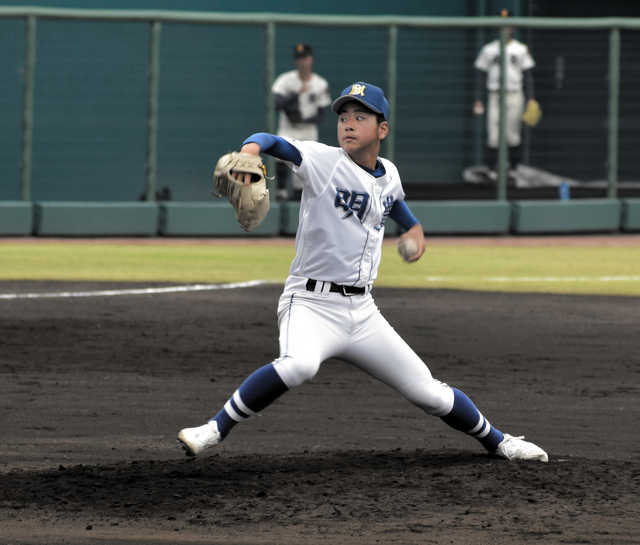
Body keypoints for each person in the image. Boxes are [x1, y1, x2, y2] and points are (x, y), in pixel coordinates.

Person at [177, 82, 548, 463]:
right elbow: (272, 140)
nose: (348, 124)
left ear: (381, 129)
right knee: (300, 364)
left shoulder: (389, 174)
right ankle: (213, 430)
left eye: (360, 116)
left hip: (363, 313)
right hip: (310, 303)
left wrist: (414, 230)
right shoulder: (322, 161)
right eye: (343, 117)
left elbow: (395, 204)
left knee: (429, 392)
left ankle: (501, 442)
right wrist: (250, 151)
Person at [473, 9, 536, 175]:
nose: (505, 29)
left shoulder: (521, 49)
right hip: (495, 95)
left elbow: (528, 76)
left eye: (508, 25)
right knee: (493, 134)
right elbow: (481, 76)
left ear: (513, 27)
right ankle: (492, 171)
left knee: (512, 134)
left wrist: (531, 98)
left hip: (515, 94)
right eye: (502, 25)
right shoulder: (489, 49)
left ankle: (514, 171)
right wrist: (478, 99)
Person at [271, 43, 331, 201]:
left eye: (304, 57)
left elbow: (322, 115)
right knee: (280, 155)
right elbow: (276, 104)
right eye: (298, 58)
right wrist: (296, 94)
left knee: (305, 164)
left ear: (311, 59)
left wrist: (304, 119)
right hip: (288, 128)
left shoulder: (320, 83)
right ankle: (281, 191)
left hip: (308, 130)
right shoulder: (286, 80)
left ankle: (299, 195)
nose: (301, 61)